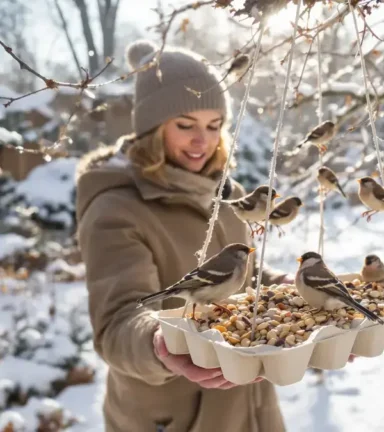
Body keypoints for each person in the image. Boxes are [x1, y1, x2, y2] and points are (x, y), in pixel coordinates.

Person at [75, 39, 289, 432]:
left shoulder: (228, 195)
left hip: (251, 408)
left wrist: (285, 287)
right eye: (186, 125)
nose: (202, 141)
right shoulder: (116, 209)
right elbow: (118, 322)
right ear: (151, 129)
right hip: (174, 415)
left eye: (214, 126)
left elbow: (240, 275)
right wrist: (161, 342)